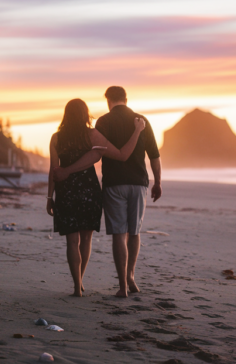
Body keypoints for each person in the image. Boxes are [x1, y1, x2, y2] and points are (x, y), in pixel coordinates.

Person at [54, 87, 161, 298]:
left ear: (108, 100)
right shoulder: (142, 120)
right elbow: (154, 156)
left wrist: (65, 172)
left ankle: (122, 286)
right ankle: (131, 276)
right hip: (139, 183)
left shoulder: (103, 122)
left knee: (119, 234)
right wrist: (157, 181)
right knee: (135, 232)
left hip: (113, 184)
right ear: (126, 99)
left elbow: (95, 153)